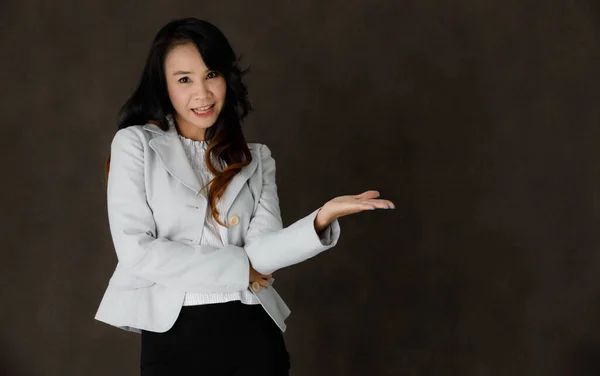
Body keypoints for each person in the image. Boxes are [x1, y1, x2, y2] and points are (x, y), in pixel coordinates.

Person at [94, 17, 395, 376]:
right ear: (164, 86)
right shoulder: (135, 145)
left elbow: (262, 254)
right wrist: (241, 268)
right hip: (175, 339)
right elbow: (137, 251)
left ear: (227, 78)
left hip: (253, 333)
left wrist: (319, 219)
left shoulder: (256, 158)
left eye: (211, 75)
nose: (202, 94)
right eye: (184, 79)